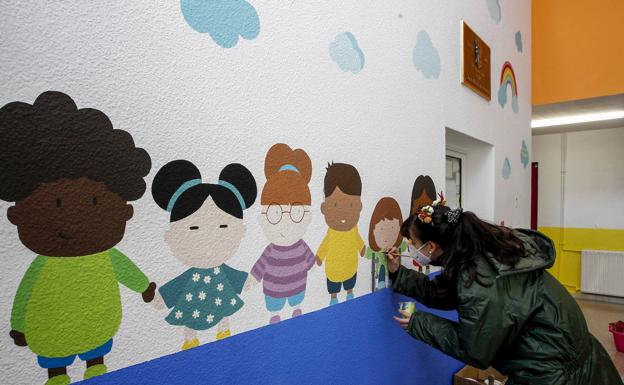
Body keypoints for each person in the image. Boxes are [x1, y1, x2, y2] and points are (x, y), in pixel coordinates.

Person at [2, 91, 156, 385]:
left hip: (97, 323)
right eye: (57, 204)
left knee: (96, 346)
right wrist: (19, 324)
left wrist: (143, 286)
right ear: (18, 215)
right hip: (51, 328)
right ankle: (57, 375)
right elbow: (25, 291)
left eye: (95, 204)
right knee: (55, 352)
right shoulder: (45, 265)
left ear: (124, 211)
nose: (73, 218)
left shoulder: (105, 256)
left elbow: (125, 270)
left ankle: (95, 366)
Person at [389, 203, 623, 385]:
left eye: (412, 242)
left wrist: (418, 322)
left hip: (551, 373)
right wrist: (399, 273)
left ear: (431, 247)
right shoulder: (480, 254)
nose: (410, 247)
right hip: (572, 356)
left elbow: (475, 350)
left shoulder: (480, 279)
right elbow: (442, 292)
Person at [151, 159, 256, 349]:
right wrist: (163, 298)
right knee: (191, 320)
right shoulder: (193, 275)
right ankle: (191, 339)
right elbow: (178, 285)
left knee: (223, 312)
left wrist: (245, 280)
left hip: (221, 302)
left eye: (223, 226)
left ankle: (223, 331)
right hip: (194, 305)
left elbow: (233, 275)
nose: (209, 238)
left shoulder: (220, 270)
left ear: (240, 231)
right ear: (171, 236)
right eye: (194, 227)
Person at [250, 143, 316, 324]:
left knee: (297, 300)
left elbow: (311, 261)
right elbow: (260, 265)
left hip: (298, 285)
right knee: (274, 304)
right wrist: (252, 278)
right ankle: (274, 314)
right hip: (274, 289)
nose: (286, 220)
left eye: (296, 213)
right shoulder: (271, 250)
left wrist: (317, 264)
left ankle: (296, 309)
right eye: (275, 213)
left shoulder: (301, 245)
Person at [316, 162, 366, 306]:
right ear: (324, 208)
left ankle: (350, 292)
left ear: (359, 206)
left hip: (350, 265)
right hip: (333, 269)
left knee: (350, 281)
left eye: (351, 205)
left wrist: (362, 248)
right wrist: (319, 256)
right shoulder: (331, 233)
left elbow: (357, 240)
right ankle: (333, 297)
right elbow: (325, 244)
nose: (344, 212)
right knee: (333, 284)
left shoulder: (354, 229)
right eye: (336, 205)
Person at [365, 197, 408, 290]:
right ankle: (381, 283)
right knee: (381, 270)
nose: (386, 233)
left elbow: (405, 245)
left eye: (392, 229)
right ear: (373, 230)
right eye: (381, 229)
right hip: (380, 272)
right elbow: (366, 253)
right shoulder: (374, 251)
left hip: (393, 281)